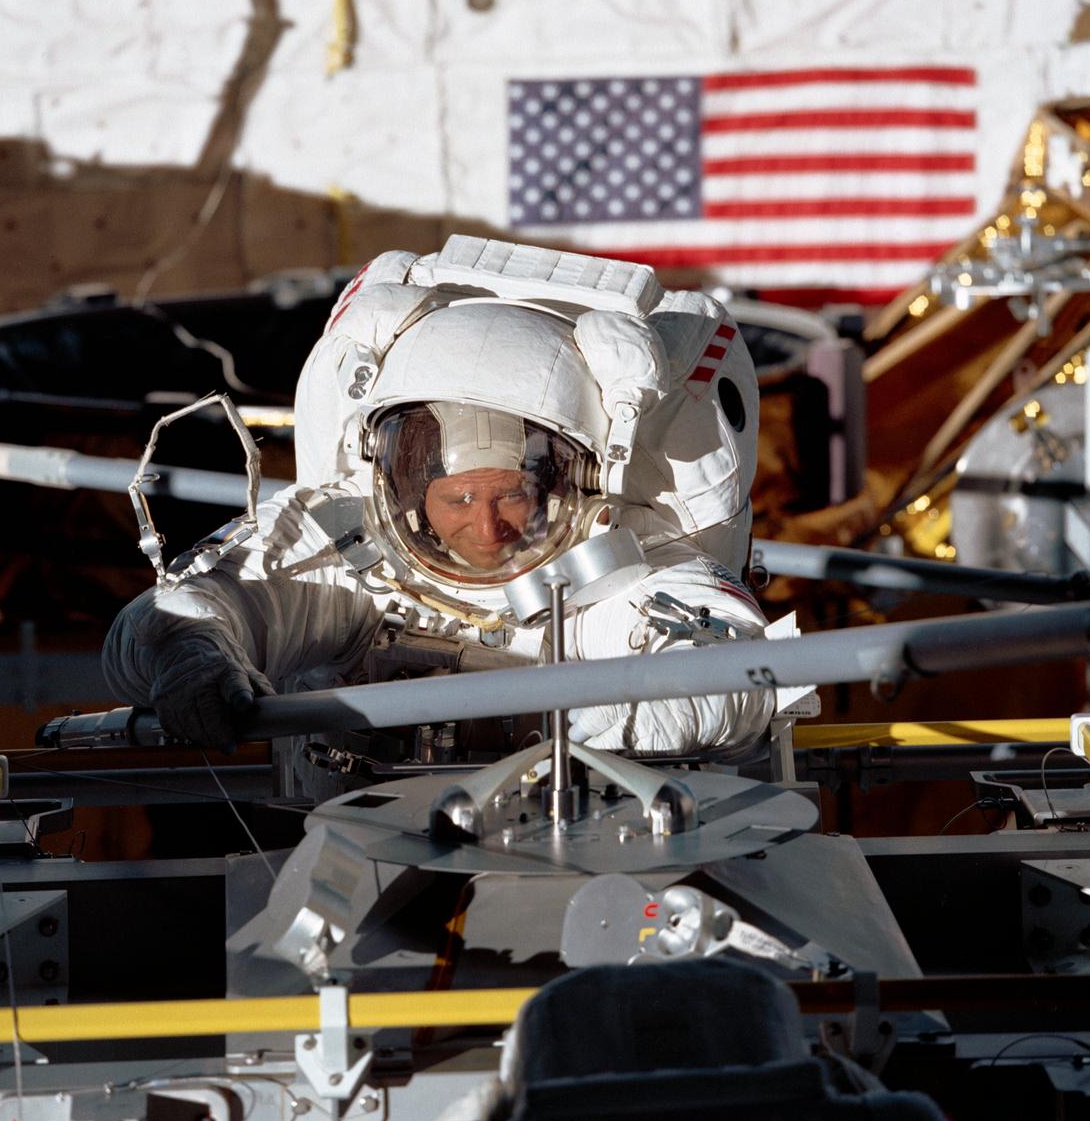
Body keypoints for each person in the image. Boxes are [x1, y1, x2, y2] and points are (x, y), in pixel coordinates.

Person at [102, 237, 776, 790]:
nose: (487, 528)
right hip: (343, 848)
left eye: (514, 494)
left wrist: (605, 735)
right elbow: (185, 611)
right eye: (459, 499)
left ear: (579, 481)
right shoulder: (344, 546)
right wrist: (191, 655)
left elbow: (729, 676)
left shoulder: (623, 567)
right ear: (402, 486)